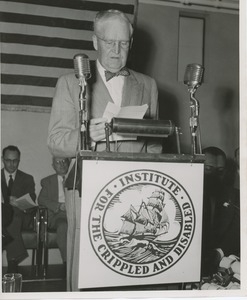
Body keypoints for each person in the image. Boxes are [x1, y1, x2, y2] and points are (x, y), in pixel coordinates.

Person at [47, 9, 162, 291]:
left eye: (123, 43)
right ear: (95, 41)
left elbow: (156, 145)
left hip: (136, 193)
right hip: (88, 191)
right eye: (109, 42)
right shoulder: (69, 83)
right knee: (88, 269)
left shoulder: (148, 85)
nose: (116, 49)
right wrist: (87, 135)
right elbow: (56, 140)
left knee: (132, 268)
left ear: (131, 44)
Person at [1, 145, 36, 273]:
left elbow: (31, 203)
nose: (12, 164)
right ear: (2, 159)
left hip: (20, 216)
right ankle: (13, 261)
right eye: (8, 160)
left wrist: (17, 203)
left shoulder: (27, 178)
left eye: (15, 160)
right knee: (7, 220)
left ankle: (12, 265)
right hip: (1, 217)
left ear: (19, 160)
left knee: (13, 220)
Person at [38, 156, 70, 274]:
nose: (61, 165)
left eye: (63, 161)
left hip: (75, 214)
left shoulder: (77, 178)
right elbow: (41, 199)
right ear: (53, 166)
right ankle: (67, 263)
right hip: (57, 215)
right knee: (63, 226)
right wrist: (58, 205)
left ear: (68, 162)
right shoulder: (47, 181)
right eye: (57, 162)